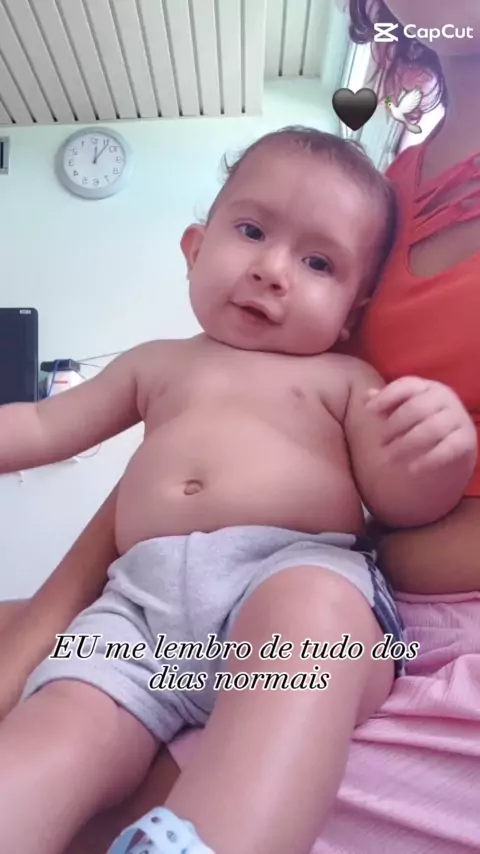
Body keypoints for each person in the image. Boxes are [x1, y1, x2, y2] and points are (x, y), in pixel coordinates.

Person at [1, 0, 480, 849]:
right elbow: (39, 429)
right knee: (64, 716)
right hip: (141, 608)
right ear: (195, 247)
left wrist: (435, 449)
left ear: (352, 309)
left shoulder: (346, 377)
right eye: (252, 231)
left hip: (295, 577)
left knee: (306, 630)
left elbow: (401, 501)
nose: (271, 270)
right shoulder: (156, 363)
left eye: (318, 262)